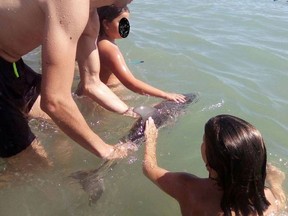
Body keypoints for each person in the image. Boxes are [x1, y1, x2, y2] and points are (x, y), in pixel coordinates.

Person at [0, 0, 136, 160]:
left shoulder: (90, 14)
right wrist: (106, 150)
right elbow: (54, 101)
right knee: (34, 167)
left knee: (59, 125)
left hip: (12, 63)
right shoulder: (71, 4)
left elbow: (92, 83)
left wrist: (131, 113)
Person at [143, 115, 287, 216]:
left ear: (210, 162)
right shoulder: (269, 199)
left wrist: (151, 139)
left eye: (204, 141)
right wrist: (275, 184)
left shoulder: (188, 189)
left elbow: (149, 168)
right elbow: (281, 201)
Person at [93, 5, 186, 103]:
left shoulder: (96, 41)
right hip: (107, 95)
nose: (126, 26)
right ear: (106, 24)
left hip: (104, 91)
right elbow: (130, 83)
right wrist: (166, 95)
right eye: (122, 21)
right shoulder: (109, 49)